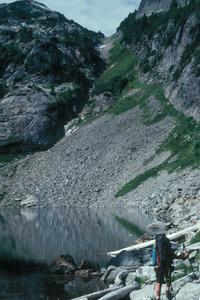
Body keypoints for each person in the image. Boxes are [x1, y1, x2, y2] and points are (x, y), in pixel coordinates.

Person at [152, 233, 189, 300]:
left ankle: (157, 297)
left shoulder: (155, 246)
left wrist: (155, 265)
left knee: (158, 283)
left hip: (158, 266)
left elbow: (154, 260)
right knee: (168, 279)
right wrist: (184, 256)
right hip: (167, 265)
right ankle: (168, 293)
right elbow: (174, 256)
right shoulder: (167, 246)